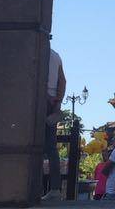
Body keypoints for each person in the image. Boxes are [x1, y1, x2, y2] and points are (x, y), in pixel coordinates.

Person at [45, 47, 67, 200]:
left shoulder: (39, 51)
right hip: (53, 102)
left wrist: (45, 96)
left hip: (41, 100)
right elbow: (62, 81)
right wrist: (58, 101)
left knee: (34, 143)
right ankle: (55, 188)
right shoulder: (56, 56)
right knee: (51, 147)